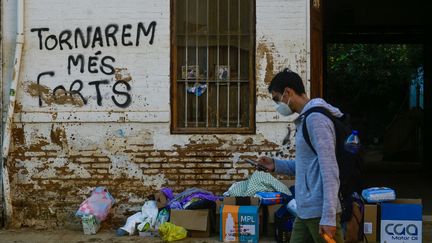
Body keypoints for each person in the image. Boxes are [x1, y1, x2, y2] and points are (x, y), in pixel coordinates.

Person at [258, 69, 344, 243]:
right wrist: (275, 165)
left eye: (277, 99)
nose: (277, 105)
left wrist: (328, 216)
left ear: (288, 92)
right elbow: (307, 166)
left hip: (319, 212)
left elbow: (330, 170)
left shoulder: (316, 120)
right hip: (304, 209)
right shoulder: (306, 120)